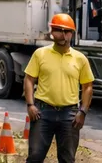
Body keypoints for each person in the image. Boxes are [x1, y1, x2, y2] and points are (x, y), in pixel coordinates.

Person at [24, 13, 94, 163]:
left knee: (67, 158)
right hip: (43, 112)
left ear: (72, 33)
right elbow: (29, 79)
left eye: (67, 31)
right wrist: (30, 105)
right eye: (58, 30)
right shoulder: (40, 54)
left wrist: (82, 112)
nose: (63, 35)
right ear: (52, 32)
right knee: (35, 156)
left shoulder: (80, 59)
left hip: (69, 115)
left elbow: (87, 86)